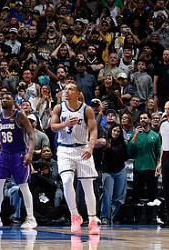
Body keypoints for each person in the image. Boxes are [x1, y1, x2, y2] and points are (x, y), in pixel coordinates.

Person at [50, 82, 101, 235]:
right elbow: (53, 126)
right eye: (65, 89)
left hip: (82, 148)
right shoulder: (59, 108)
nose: (67, 91)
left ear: (78, 93)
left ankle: (92, 219)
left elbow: (93, 129)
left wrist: (90, 147)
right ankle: (74, 216)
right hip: (64, 149)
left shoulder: (86, 109)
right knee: (66, 181)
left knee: (87, 186)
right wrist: (65, 124)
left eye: (71, 89)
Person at [0, 92, 37, 230]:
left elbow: (31, 135)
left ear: (13, 101)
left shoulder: (19, 115)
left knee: (23, 186)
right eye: (2, 98)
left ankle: (30, 218)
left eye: (7, 98)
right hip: (3, 154)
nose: (4, 100)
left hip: (18, 155)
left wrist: (30, 153)